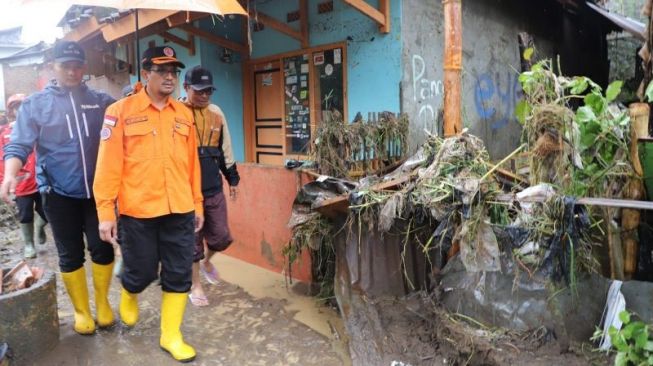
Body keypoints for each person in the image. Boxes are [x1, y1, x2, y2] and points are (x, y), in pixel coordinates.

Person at [93, 45, 204, 363]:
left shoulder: (184, 114)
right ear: (146, 74)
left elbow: (192, 164)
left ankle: (171, 335)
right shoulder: (119, 111)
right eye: (162, 71)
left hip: (179, 208)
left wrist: (197, 203)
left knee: (179, 273)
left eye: (174, 71)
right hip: (138, 211)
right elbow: (108, 165)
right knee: (140, 271)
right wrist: (105, 212)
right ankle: (130, 291)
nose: (170, 77)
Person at [0, 41, 116, 335]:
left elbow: (121, 135)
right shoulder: (36, 105)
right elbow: (19, 144)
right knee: (70, 254)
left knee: (102, 249)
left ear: (84, 68)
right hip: (57, 194)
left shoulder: (101, 101)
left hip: (98, 195)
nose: (72, 71)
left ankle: (102, 303)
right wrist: (10, 175)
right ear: (54, 67)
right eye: (66, 66)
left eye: (77, 66)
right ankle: (81, 311)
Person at [181, 66, 240, 307]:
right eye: (199, 91)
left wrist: (232, 179)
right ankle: (195, 285)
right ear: (186, 88)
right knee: (193, 243)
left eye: (208, 91)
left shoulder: (216, 113)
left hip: (213, 187)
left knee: (222, 237)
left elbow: (225, 147)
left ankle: (206, 262)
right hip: (186, 191)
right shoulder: (176, 112)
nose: (204, 96)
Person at [0, 94, 48, 259]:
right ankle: (29, 245)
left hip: (42, 180)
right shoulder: (5, 133)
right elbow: (2, 159)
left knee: (48, 211)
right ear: (11, 111)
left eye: (22, 105)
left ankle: (41, 227)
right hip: (21, 184)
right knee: (25, 214)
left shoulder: (41, 127)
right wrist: (4, 180)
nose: (19, 109)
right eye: (15, 106)